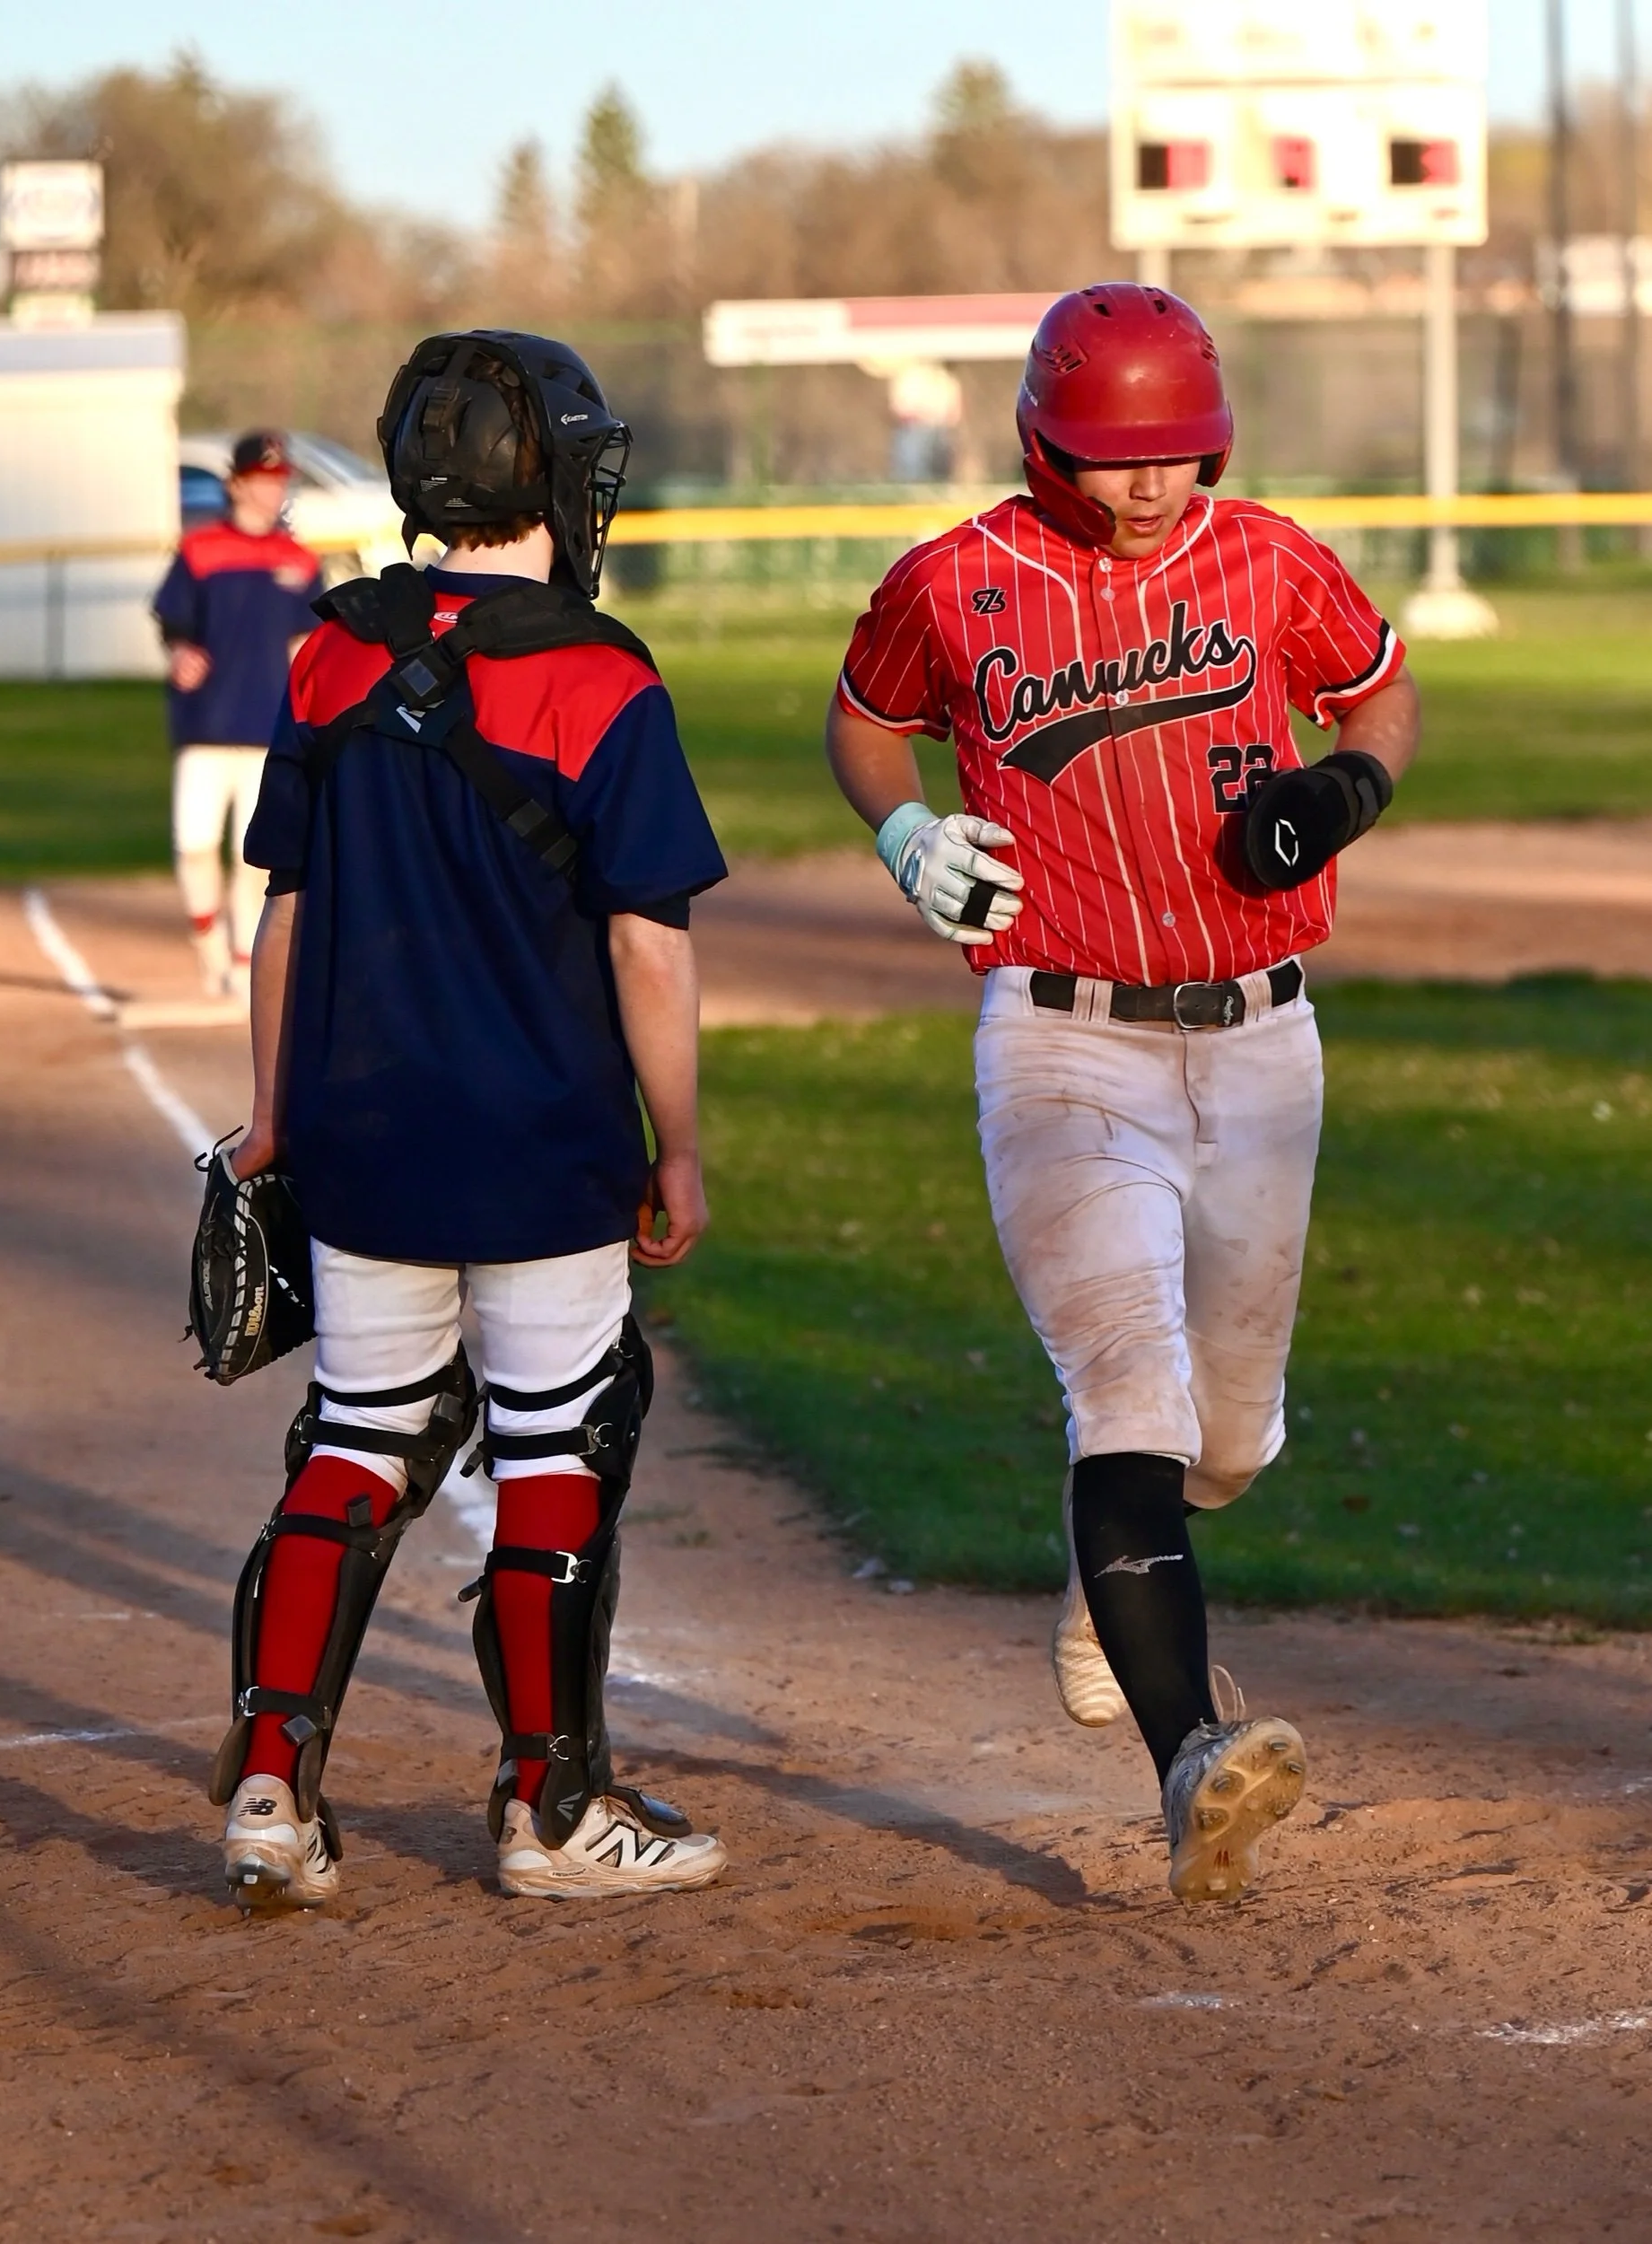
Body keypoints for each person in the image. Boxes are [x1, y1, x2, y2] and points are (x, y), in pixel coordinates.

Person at [825, 283, 1420, 1905]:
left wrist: (1343, 784)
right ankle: (1187, 1754)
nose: (1148, 486)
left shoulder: (1270, 559)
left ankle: (1103, 1583)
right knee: (1129, 1389)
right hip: (1061, 1037)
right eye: (1110, 458)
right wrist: (900, 837)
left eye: (1175, 455)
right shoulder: (952, 580)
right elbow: (864, 722)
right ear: (1040, 440)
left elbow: (1375, 688)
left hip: (1260, 1043)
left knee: (1229, 1438)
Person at [208, 332, 730, 1910]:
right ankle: (547, 1806)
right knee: (559, 1446)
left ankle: (269, 1787)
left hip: (365, 1132)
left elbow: (283, 922)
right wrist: (681, 1141)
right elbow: (644, 941)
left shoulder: (328, 654)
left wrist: (272, 1119)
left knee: (357, 1446)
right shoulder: (598, 672)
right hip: (537, 1138)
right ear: (551, 480)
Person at [152, 432, 321, 998]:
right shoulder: (201, 550)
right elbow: (174, 622)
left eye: (280, 480)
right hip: (206, 725)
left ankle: (245, 962)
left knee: (254, 857)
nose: (273, 491)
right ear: (237, 483)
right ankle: (209, 952)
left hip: (268, 731)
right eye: (263, 479)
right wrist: (179, 651)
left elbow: (307, 643)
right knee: (193, 844)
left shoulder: (299, 561)